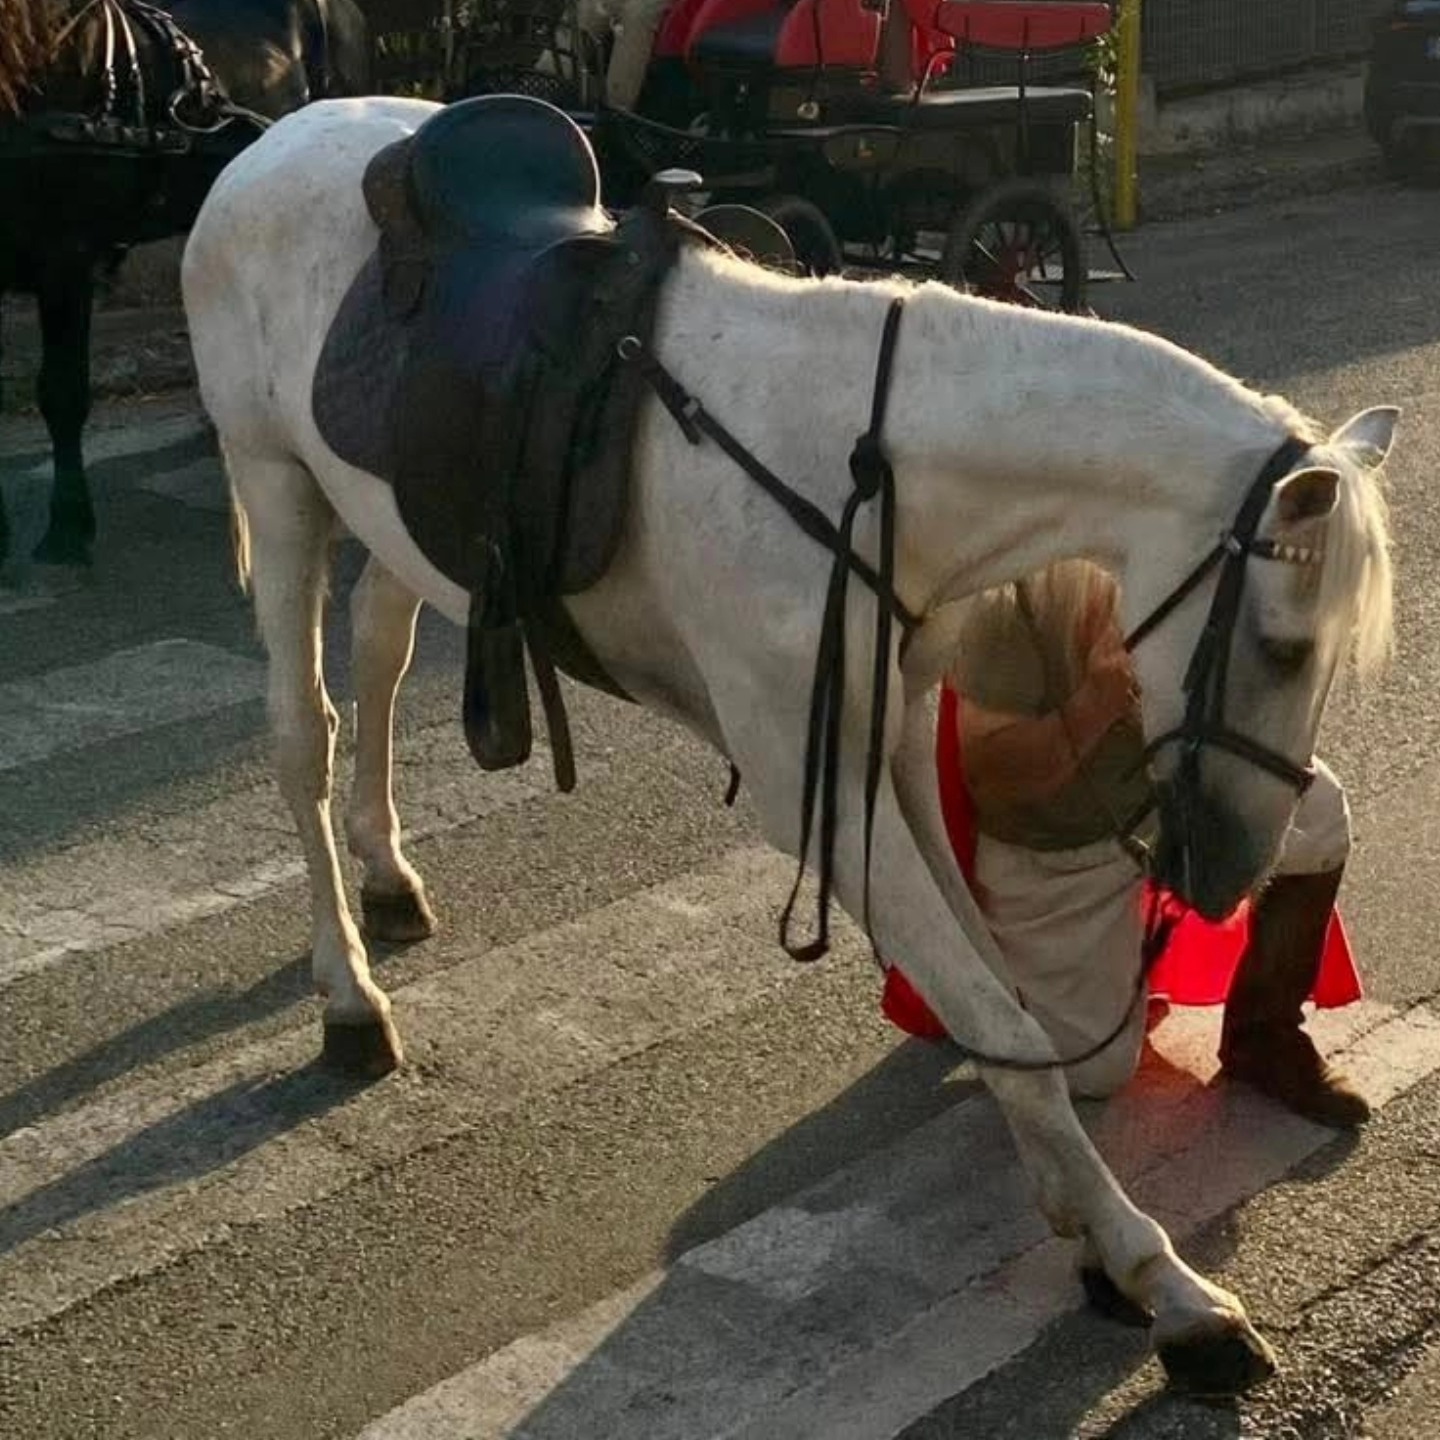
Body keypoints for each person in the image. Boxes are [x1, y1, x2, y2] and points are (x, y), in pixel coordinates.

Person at [885, 558, 1369, 1128]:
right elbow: (994, 775)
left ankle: (1264, 1035)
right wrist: (1098, 697)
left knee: (1315, 812)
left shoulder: (1203, 542)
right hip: (1059, 857)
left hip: (1166, 799)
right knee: (1095, 1071)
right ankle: (994, 969)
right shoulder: (1014, 592)